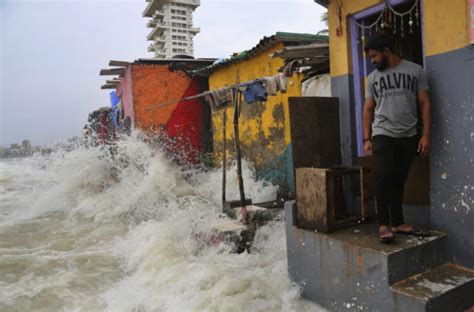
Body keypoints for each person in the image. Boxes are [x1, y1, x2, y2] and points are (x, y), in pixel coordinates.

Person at [362, 34, 432, 243]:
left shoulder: (415, 71)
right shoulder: (372, 78)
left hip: (409, 134)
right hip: (383, 133)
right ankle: (384, 224)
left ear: (386, 51)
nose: (372, 61)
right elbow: (367, 109)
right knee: (384, 176)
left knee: (399, 179)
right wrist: (367, 138)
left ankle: (398, 222)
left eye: (374, 56)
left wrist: (426, 135)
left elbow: (425, 103)